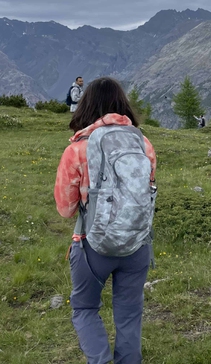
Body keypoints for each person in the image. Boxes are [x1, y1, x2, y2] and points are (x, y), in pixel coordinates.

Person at [55, 77, 157, 364]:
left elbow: (65, 209)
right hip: (137, 245)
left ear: (86, 105)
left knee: (85, 309)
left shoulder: (77, 149)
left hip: (92, 246)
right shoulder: (143, 143)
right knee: (129, 314)